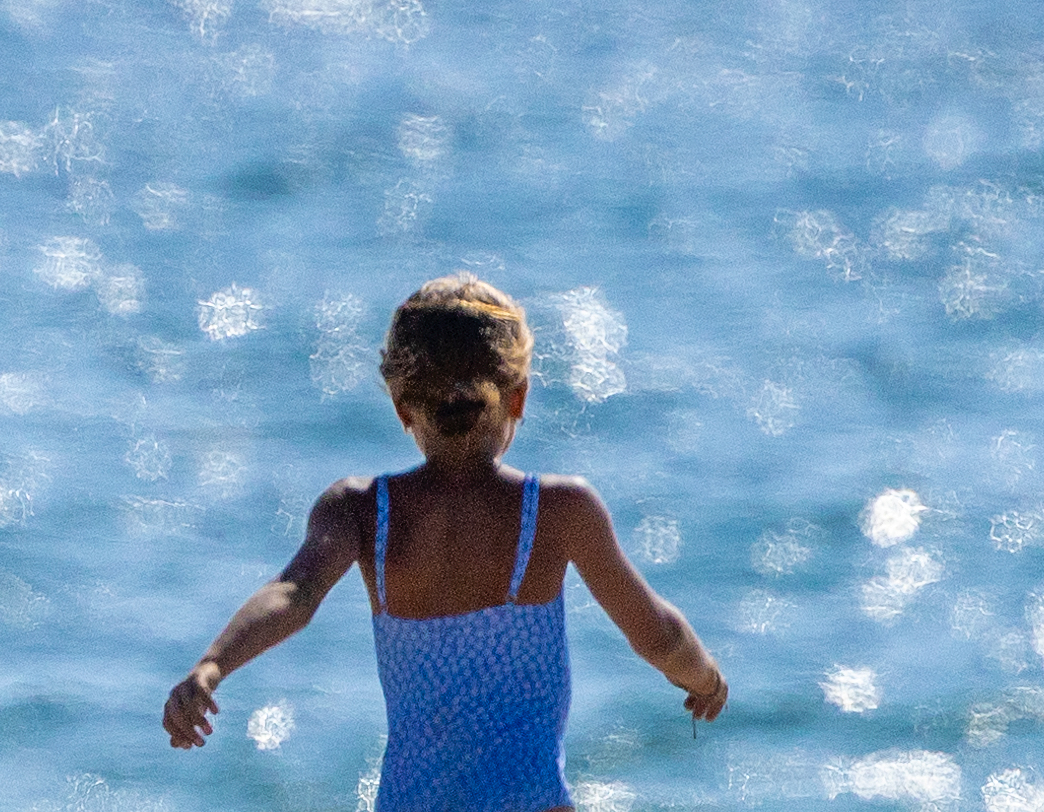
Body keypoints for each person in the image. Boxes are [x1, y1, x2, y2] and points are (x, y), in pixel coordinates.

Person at [163, 273, 728, 810]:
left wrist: (212, 666)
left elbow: (294, 593)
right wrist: (702, 677)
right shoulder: (558, 510)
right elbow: (655, 632)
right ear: (519, 398)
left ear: (403, 407)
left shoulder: (362, 510)